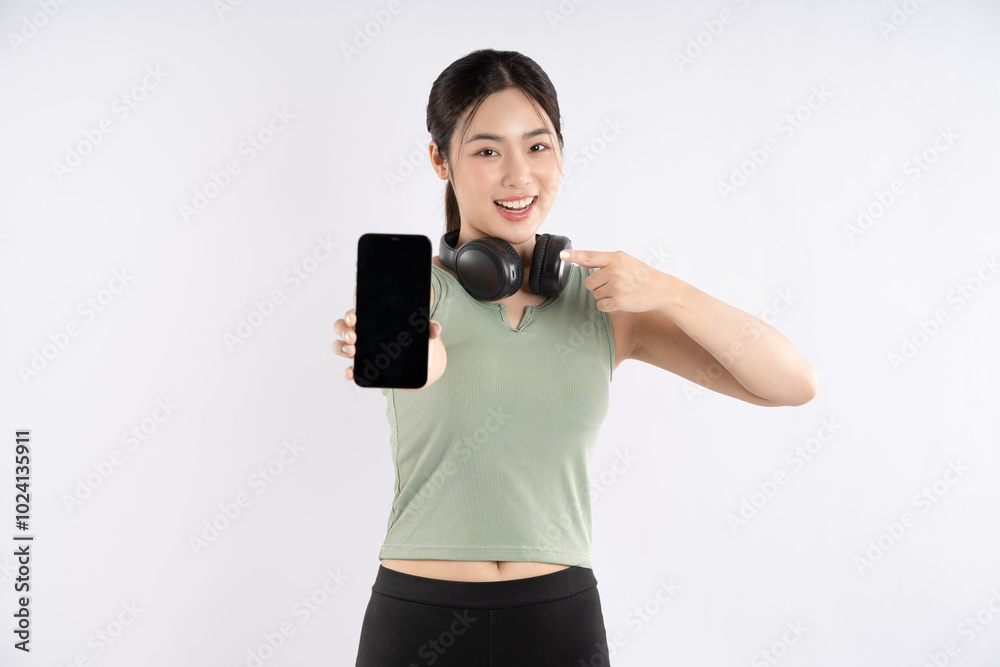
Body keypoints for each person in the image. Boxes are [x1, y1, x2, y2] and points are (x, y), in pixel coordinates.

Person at [334, 48, 818, 666]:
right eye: (487, 150)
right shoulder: (411, 290)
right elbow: (404, 366)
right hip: (417, 618)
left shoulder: (606, 304)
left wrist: (667, 290)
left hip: (557, 621)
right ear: (440, 159)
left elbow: (792, 382)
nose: (519, 176)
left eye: (538, 147)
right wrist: (412, 365)